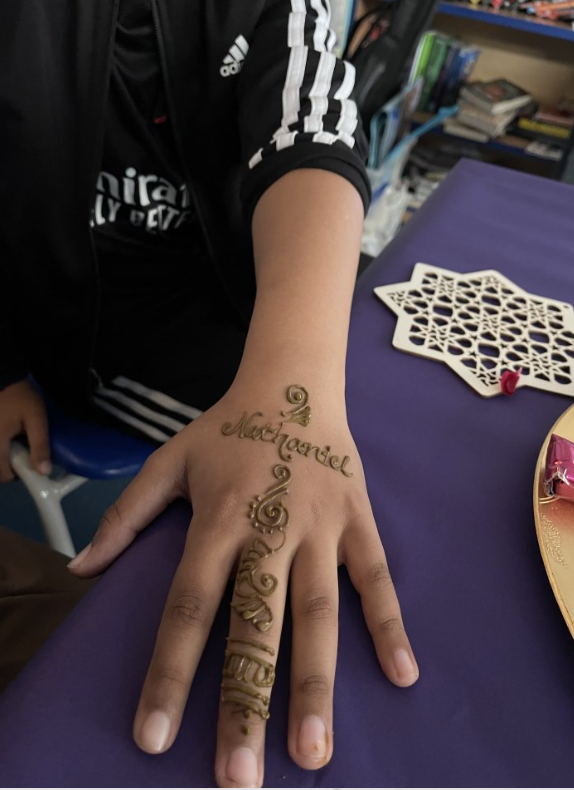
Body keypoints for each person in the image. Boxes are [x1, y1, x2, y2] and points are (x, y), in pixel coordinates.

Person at [0, 1, 419, 787]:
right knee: (256, 562)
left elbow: (314, 131)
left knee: (364, 481)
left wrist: (292, 384)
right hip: (87, 329)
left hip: (235, 305)